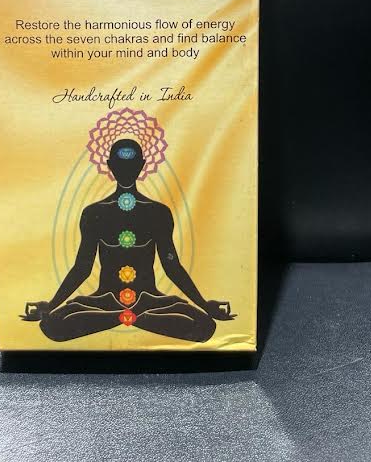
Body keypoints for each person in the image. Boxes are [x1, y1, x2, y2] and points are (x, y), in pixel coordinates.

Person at [23, 138, 235, 342]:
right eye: (120, 165)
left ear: (141, 165)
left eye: (132, 165)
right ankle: (128, 317)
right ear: (110, 166)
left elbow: (171, 265)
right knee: (51, 325)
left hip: (149, 300)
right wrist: (50, 306)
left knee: (205, 325)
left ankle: (125, 317)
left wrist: (204, 305)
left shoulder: (158, 212)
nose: (126, 171)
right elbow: (82, 267)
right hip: (104, 300)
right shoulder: (94, 212)